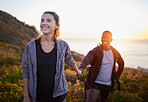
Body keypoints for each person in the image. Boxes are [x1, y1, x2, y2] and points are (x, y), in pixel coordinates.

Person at [21, 11, 82, 102]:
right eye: (42, 20)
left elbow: (69, 59)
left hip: (58, 95)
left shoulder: (63, 45)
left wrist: (78, 71)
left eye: (48, 20)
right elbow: (26, 72)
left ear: (57, 25)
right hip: (37, 96)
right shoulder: (31, 46)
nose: (44, 23)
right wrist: (26, 97)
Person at [79, 31, 124, 102]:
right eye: (103, 37)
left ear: (111, 40)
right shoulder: (96, 51)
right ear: (101, 38)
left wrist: (116, 77)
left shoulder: (115, 53)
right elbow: (87, 58)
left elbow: (121, 64)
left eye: (107, 37)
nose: (105, 39)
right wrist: (81, 69)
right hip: (95, 83)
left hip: (108, 85)